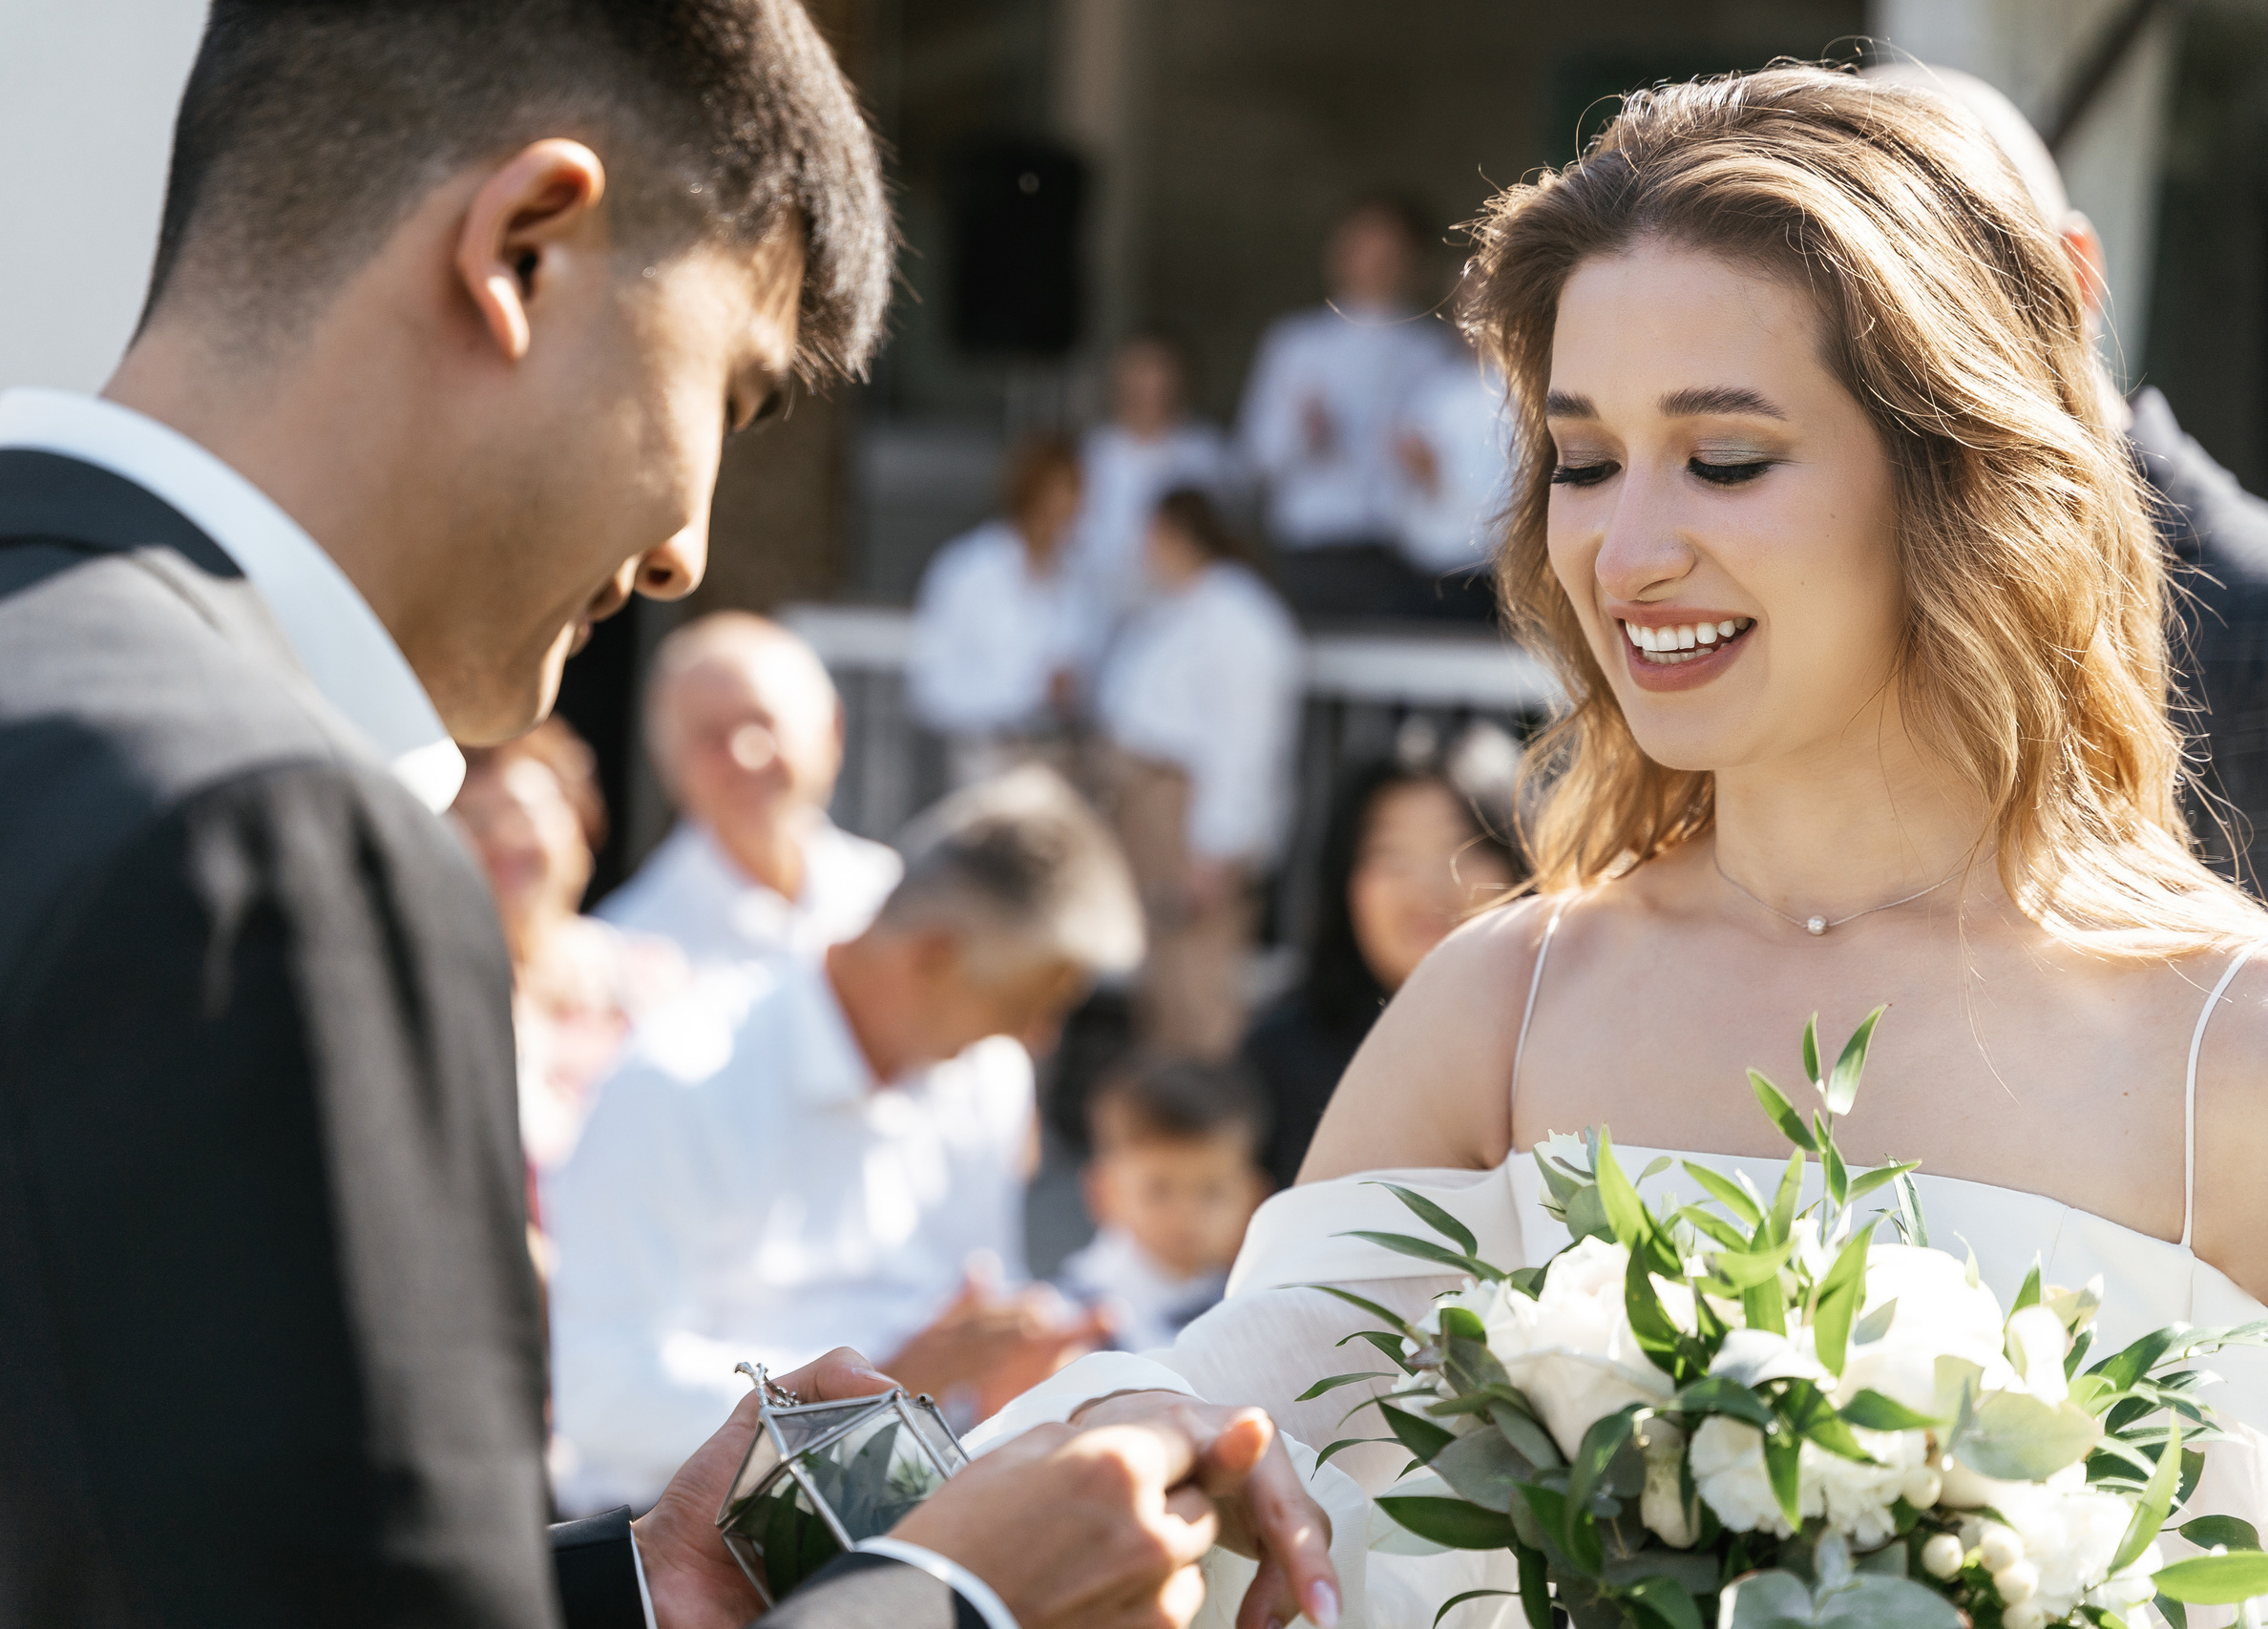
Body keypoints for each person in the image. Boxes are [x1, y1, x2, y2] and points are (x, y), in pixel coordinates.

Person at [0, 4, 1342, 1627]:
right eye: (734, 391)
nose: (689, 545)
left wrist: (638, 1583)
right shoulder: (269, 844)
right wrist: (953, 1596)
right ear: (529, 249)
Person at [970, 66, 2268, 1622]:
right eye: (1583, 460)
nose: (1626, 552)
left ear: (1961, 482)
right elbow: (1231, 1424)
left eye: (1724, 459)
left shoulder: (2226, 1054)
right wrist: (1099, 1435)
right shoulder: (1502, 1009)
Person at [545, 769, 1133, 1514]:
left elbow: (974, 1303)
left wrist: (1024, 1357)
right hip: (691, 1536)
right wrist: (867, 1383)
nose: (1036, 1034)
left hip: (908, 1503)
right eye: (1026, 1003)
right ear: (933, 956)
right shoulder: (680, 1076)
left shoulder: (989, 1071)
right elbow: (600, 1391)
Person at [1862, 60, 2268, 893]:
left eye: (1943, 284)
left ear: (2074, 273)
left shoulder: (2250, 605)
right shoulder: (1864, 570)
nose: (1906, 348)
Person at [1239, 740, 1518, 1189]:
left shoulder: (1556, 1044)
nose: (1430, 887)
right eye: (1393, 856)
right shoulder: (1277, 1057)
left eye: (1465, 850)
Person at [1094, 488, 1304, 1060]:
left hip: (1188, 816)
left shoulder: (1239, 618)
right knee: (1161, 986)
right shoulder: (1173, 608)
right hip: (1148, 809)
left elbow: (1245, 742)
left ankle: (1209, 1129)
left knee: (1199, 987)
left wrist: (1217, 850)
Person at [597, 611, 901, 983]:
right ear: (665, 760)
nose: (744, 756)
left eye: (762, 722)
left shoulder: (900, 902)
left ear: (832, 731)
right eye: (710, 735)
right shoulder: (622, 951)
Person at [452, 720, 684, 1194]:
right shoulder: (443, 1002)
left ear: (581, 827)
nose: (503, 841)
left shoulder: (651, 981)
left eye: (525, 813)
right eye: (474, 824)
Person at [1235, 198, 1449, 623]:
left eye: (1388, 250)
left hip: (1400, 553)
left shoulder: (1432, 351)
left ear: (1414, 260)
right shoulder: (1296, 343)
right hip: (1310, 547)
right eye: (1361, 246)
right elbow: (1254, 456)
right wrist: (1303, 437)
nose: (1373, 262)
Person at [906, 433, 1095, 785]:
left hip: (1057, 768)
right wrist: (1031, 689)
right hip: (982, 764)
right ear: (1035, 494)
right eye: (1068, 491)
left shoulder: (1079, 581)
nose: (1080, 506)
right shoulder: (967, 570)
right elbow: (930, 687)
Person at [1058, 1056, 1271, 1353]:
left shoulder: (1258, 1303)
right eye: (1158, 1190)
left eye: (1213, 1192)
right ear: (1104, 1193)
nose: (1187, 1213)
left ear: (1252, 1196)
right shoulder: (1070, 1318)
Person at [1071, 330, 1236, 622]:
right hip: (1099, 607)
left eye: (1160, 371)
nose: (1150, 385)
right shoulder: (1092, 454)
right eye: (1139, 370)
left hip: (1183, 608)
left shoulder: (1205, 453)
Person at [1389, 326, 1505, 624]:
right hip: (1431, 570)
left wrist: (1440, 479)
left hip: (1499, 576)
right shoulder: (1434, 390)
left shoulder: (1526, 391)